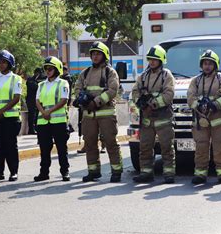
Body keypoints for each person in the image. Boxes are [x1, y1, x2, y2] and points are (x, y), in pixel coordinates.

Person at [74, 41, 122, 182]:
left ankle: (116, 171)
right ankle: (93, 171)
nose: (95, 57)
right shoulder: (85, 73)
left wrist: (96, 102)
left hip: (106, 113)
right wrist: (82, 100)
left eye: (98, 54)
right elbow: (77, 88)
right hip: (88, 115)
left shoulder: (110, 72)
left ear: (104, 55)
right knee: (90, 143)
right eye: (93, 54)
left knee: (110, 142)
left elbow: (112, 90)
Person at [187, 50, 221, 185]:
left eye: (210, 64)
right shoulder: (196, 81)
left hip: (219, 121)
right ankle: (200, 174)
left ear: (215, 65)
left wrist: (215, 105)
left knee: (220, 148)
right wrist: (198, 106)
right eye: (205, 63)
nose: (207, 66)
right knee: (201, 148)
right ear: (201, 65)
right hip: (201, 122)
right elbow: (190, 97)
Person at [131, 45, 175, 184]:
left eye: (155, 60)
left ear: (161, 60)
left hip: (163, 118)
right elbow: (135, 92)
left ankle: (168, 174)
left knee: (166, 147)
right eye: (150, 59)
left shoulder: (166, 76)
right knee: (145, 147)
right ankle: (146, 173)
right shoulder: (143, 76)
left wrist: (153, 104)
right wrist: (141, 103)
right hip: (147, 120)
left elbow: (169, 94)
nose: (152, 62)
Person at [33, 56, 71, 182]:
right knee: (44, 149)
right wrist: (43, 112)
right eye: (46, 69)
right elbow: (37, 101)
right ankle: (44, 172)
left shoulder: (63, 83)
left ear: (57, 69)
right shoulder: (41, 84)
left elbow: (64, 100)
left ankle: (65, 172)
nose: (48, 71)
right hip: (43, 121)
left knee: (61, 148)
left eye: (51, 69)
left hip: (58, 121)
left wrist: (49, 111)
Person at [0, 50, 22, 182]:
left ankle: (13, 172)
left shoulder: (16, 79)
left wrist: (1, 110)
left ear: (9, 63)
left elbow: (16, 98)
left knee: (10, 145)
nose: (1, 65)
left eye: (4, 62)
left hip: (11, 118)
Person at [26, 68, 45, 134]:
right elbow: (35, 87)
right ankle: (31, 129)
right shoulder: (30, 80)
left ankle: (35, 128)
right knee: (32, 115)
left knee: (36, 115)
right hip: (31, 100)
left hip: (36, 100)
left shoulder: (38, 80)